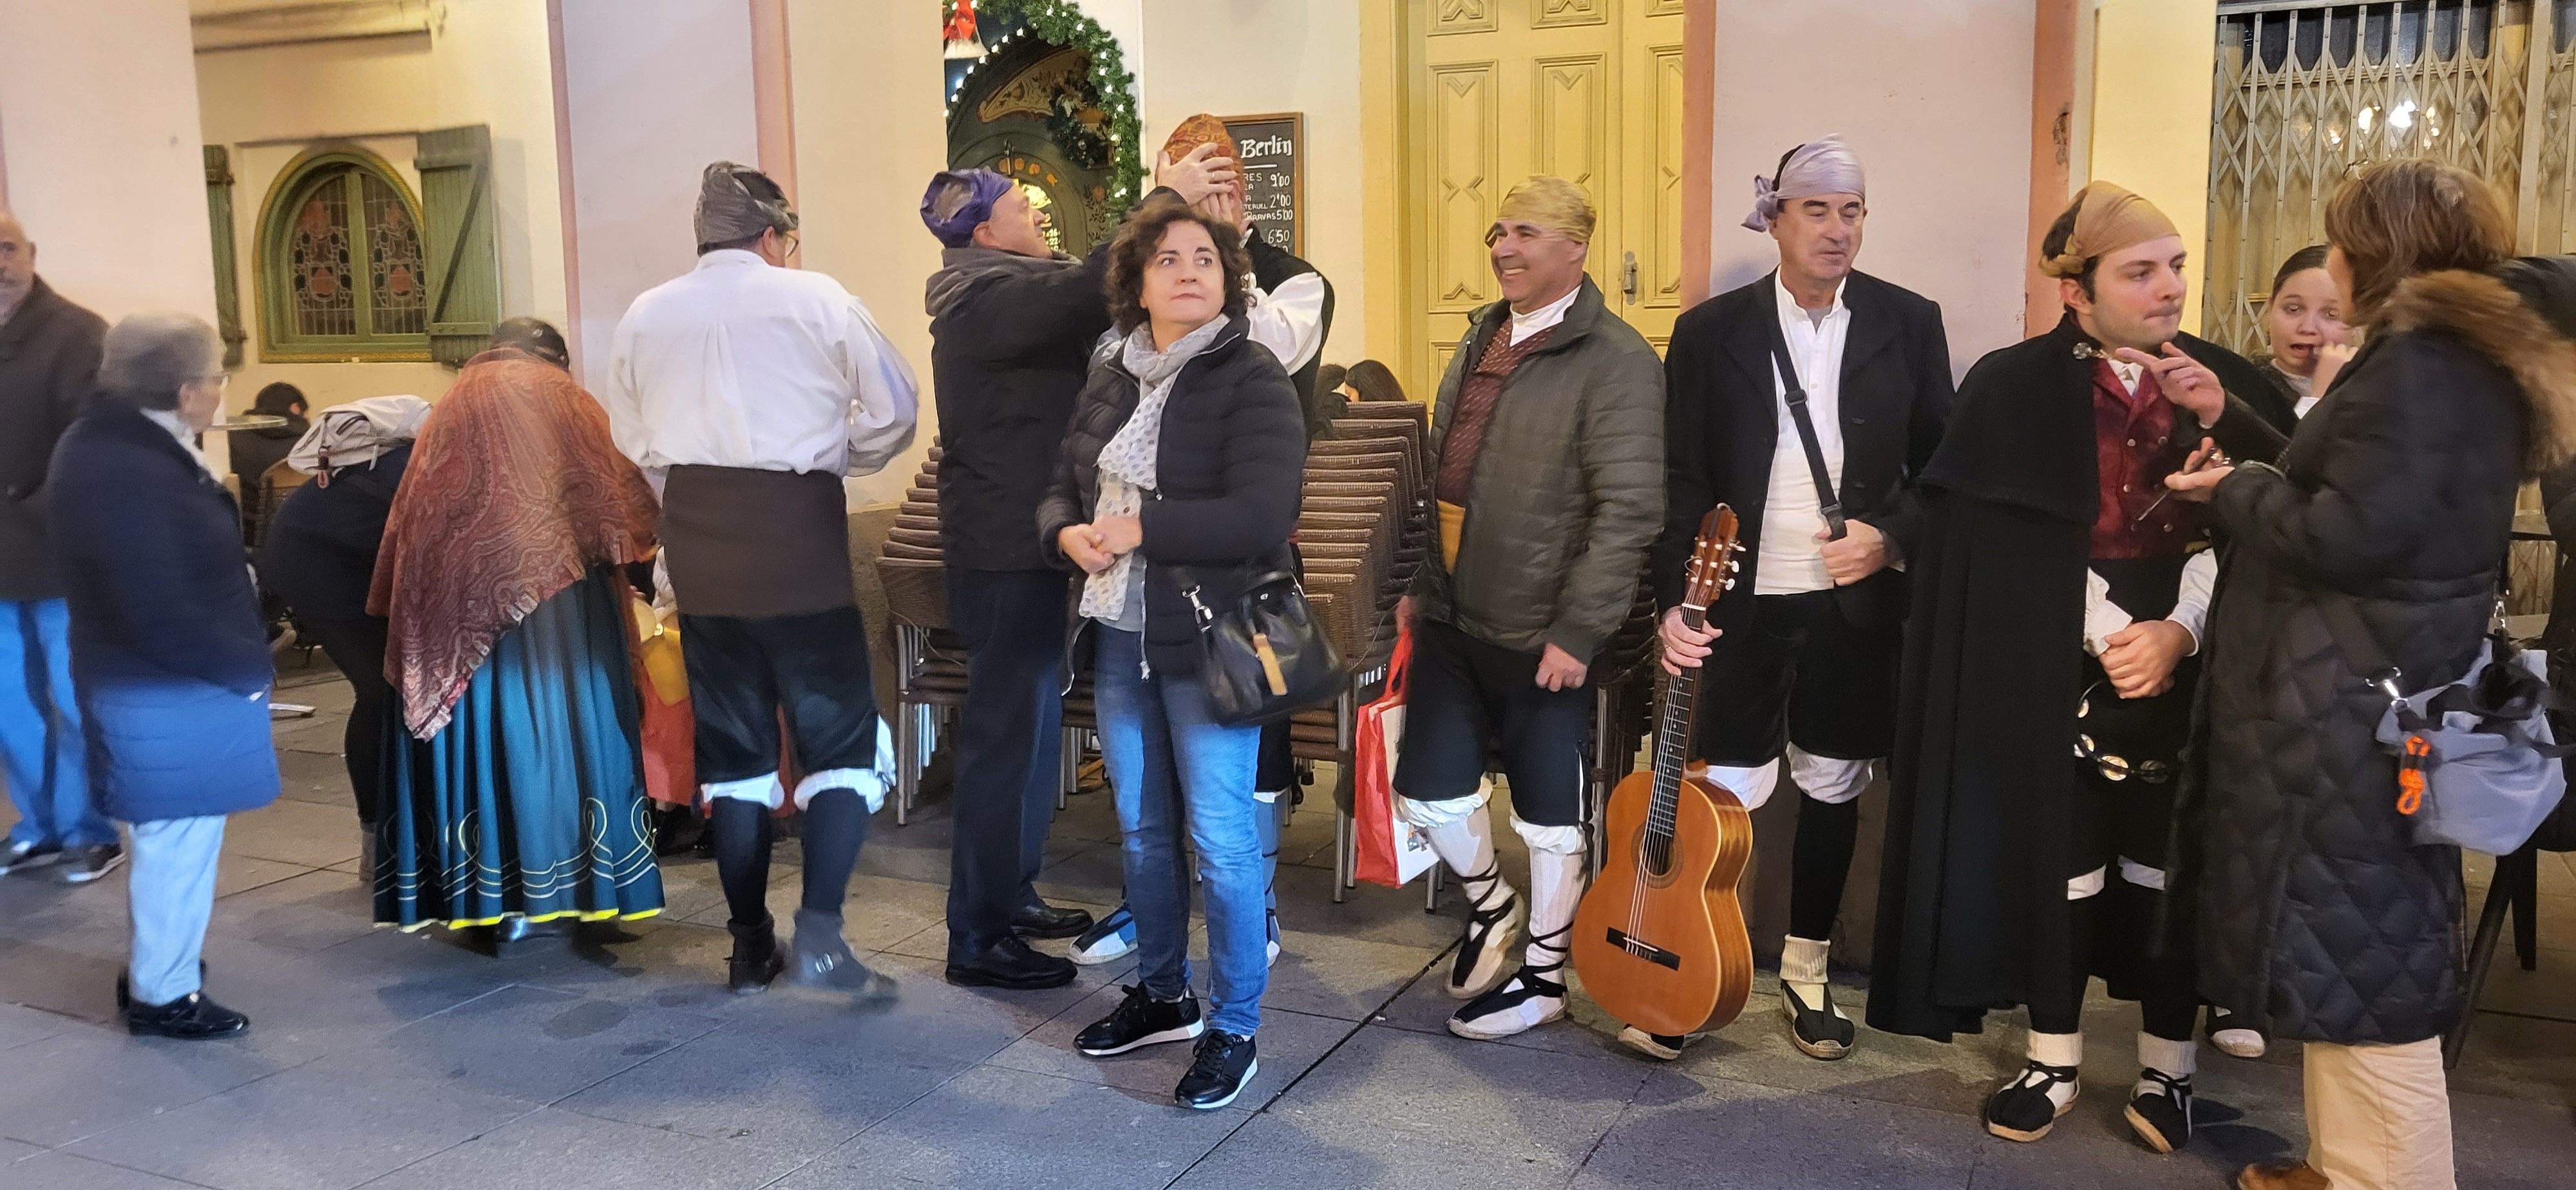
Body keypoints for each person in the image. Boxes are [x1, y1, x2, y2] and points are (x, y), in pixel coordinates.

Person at [1866, 182, 2296, 1154]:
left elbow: (2266, 527)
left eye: (2177, 265)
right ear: (2078, 290)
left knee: (2170, 871)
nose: (2169, 289)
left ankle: (2168, 1072)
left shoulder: (2225, 383)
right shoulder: (2011, 388)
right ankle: (2053, 1056)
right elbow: (2002, 547)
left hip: (2197, 666)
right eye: (2141, 271)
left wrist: (2180, 632)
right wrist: (2110, 634)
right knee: (2061, 863)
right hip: (2055, 660)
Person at [2170, 161, 2575, 1190]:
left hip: (2350, 713)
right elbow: (2355, 486)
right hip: (2360, 693)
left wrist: (2237, 494)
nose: (2333, 265)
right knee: (2336, 958)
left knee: (2371, 978)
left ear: (2375, 255)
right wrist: (2258, 458)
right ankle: (2340, 1167)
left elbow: (2345, 532)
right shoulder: (2448, 352)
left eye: (2341, 244)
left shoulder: (2422, 365)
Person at [1641, 137, 1953, 1063]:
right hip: (1738, 597)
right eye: (1817, 209)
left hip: (1851, 607)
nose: (1838, 228)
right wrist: (1675, 603)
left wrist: (1890, 536)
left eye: (1852, 209)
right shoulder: (1711, 331)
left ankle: (1807, 972)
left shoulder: (1911, 320)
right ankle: (1692, 967)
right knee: (1726, 789)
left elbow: (1943, 468)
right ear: (1775, 217)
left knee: (1832, 785)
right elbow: (1678, 476)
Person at [922, 149, 1243, 988]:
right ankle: (977, 937)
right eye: (1025, 212)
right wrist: (1167, 199)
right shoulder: (980, 297)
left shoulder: (1002, 291)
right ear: (988, 230)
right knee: (1000, 741)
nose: (1040, 220)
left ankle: (1010, 893)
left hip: (1032, 547)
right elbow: (1081, 290)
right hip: (1002, 552)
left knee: (1028, 731)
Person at [605, 162, 918, 994]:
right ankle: (819, 935)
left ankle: (748, 945)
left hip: (703, 555)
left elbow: (637, 443)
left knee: (736, 758)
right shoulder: (815, 297)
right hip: (799, 545)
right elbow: (894, 410)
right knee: (839, 747)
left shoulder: (645, 315)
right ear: (775, 237)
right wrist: (827, 456)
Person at [1036, 194, 1305, 1110]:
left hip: (1211, 634)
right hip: (1119, 629)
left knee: (1223, 842)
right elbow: (1059, 485)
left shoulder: (1252, 375)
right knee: (1144, 828)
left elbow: (1262, 516)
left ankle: (1234, 1027)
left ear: (1228, 279)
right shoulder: (1111, 373)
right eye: (1168, 259)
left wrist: (1140, 524)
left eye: (1206, 258)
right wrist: (1066, 534)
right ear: (1137, 282)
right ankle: (1161, 994)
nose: (1189, 271)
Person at [1393, 176, 1666, 1043]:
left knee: (1549, 813)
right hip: (1452, 612)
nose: (1504, 248)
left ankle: (1546, 980)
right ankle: (1492, 904)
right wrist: (1418, 586)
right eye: (1499, 232)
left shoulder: (1617, 361)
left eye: (1527, 234)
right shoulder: (1482, 332)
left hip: (1544, 628)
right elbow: (1443, 468)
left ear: (1576, 249)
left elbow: (1629, 511)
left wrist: (1580, 631)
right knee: (1426, 793)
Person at [368, 323, 663, 943]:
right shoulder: (565, 395)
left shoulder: (451, 402)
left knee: (484, 739)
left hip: (451, 609)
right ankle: (581, 891)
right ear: (556, 358)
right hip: (560, 611)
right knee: (562, 738)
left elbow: (410, 518)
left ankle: (487, 903)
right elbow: (625, 499)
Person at [47, 313, 274, 1039]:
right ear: (185, 390)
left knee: (169, 836)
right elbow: (154, 601)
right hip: (161, 686)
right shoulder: (127, 467)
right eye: (214, 379)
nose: (218, 392)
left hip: (150, 678)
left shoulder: (116, 444)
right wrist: (239, 669)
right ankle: (162, 993)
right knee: (175, 840)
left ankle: (162, 966)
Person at [257, 393, 429, 867]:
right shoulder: (412, 463)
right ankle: (379, 841)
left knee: (392, 691)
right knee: (382, 691)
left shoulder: (388, 460)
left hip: (320, 557)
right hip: (325, 569)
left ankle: (392, 836)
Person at [0, 209, 118, 884]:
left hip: (55, 550)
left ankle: (91, 830)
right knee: (10, 704)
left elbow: (93, 439)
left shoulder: (77, 333)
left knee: (75, 701)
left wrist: (41, 509)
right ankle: (39, 827)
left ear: (31, 254)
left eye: (6, 249)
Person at [2253, 245, 2351, 419]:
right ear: (2270, 309)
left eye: (2331, 314)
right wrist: (2319, 398)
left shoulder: (2375, 390)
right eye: (2293, 309)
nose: (2307, 328)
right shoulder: (2241, 385)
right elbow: (2285, 445)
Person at [228, 382, 308, 497]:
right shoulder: (309, 442)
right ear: (295, 408)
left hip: (244, 511)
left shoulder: (231, 437)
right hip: (295, 510)